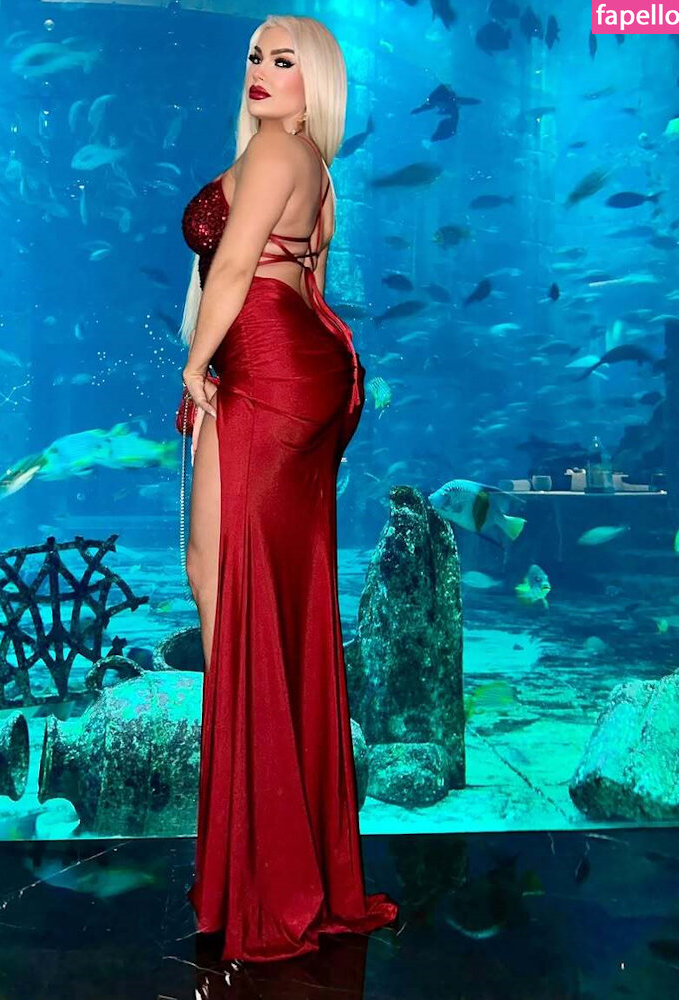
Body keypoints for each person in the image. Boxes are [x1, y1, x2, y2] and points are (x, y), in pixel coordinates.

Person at [178, 15, 399, 963]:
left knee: (234, 587)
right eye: (254, 58)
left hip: (265, 369)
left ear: (318, 82)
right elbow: (305, 283)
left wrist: (197, 366)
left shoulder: (277, 147)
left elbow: (233, 266)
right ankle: (267, 840)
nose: (262, 73)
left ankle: (268, 867)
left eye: (284, 61)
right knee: (235, 582)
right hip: (295, 365)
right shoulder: (312, 164)